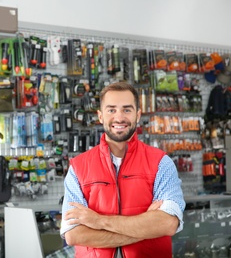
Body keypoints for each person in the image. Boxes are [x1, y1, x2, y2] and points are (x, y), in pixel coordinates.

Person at [60, 82, 185, 258]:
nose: (119, 118)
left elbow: (168, 224)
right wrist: (145, 227)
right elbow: (74, 234)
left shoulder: (161, 163)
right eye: (111, 110)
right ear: (100, 116)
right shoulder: (78, 168)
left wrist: (97, 221)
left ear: (138, 115)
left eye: (127, 110)